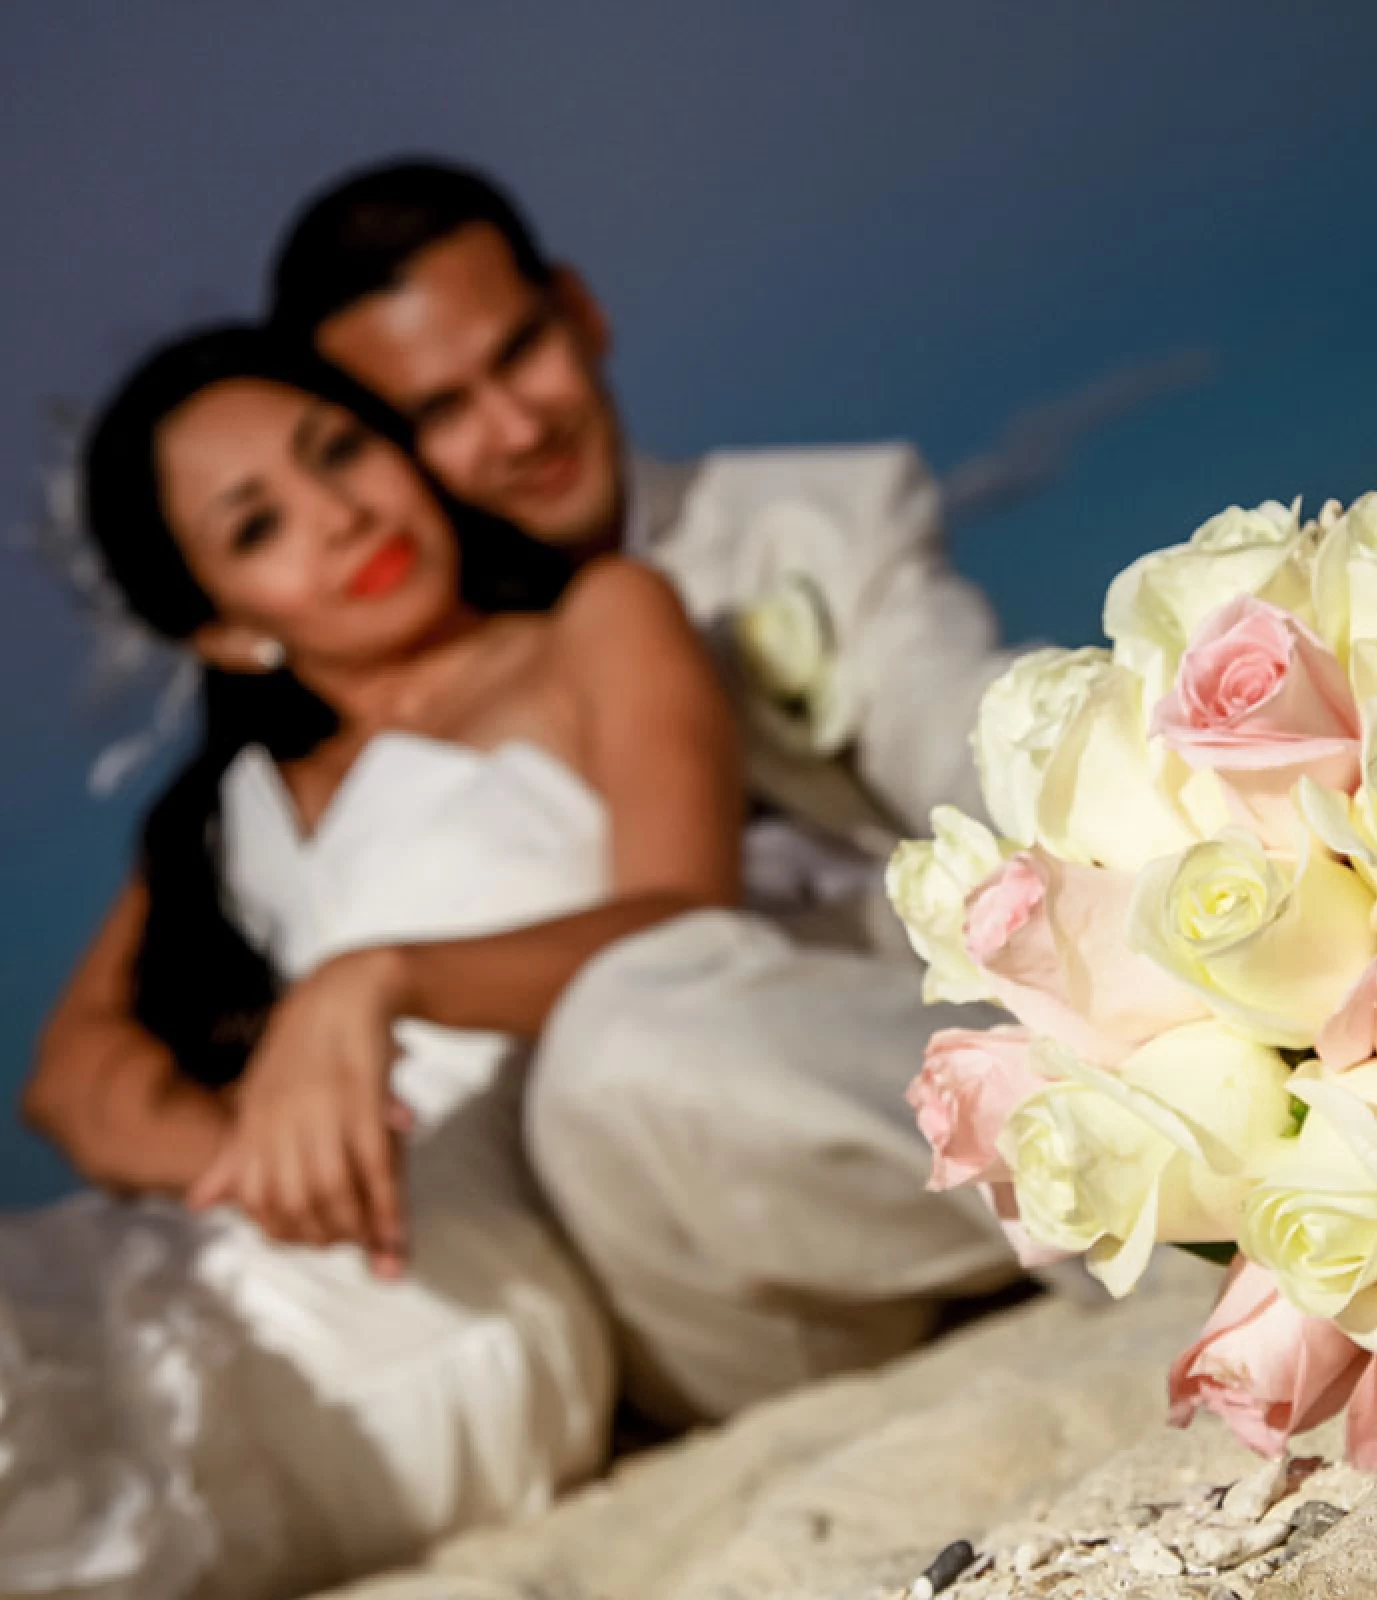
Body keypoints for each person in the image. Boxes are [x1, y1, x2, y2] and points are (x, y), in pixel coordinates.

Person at [257, 159, 1030, 1424]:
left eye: (523, 352)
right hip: (692, 1283)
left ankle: (1163, 1196)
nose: (515, 426)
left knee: (636, 1032)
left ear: (581, 308)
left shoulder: (804, 521)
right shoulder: (369, 733)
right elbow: (85, 1069)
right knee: (617, 1053)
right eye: (440, 411)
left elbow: (965, 721)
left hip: (906, 1070)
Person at [9, 322, 736, 1598]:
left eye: (338, 449)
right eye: (259, 526)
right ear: (229, 635)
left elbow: (687, 918)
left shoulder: (592, 627)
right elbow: (69, 1079)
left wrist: (379, 982)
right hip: (204, 1250)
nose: (341, 515)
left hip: (440, 1280)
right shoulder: (230, 805)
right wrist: (252, 1155)